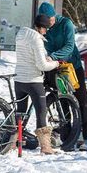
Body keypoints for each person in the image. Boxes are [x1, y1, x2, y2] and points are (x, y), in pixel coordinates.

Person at [40, 2, 87, 148]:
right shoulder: (44, 28)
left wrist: (53, 56)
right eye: (47, 22)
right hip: (56, 67)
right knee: (63, 101)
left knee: (81, 100)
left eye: (51, 20)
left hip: (73, 66)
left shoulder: (66, 24)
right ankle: (67, 138)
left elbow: (69, 47)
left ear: (54, 16)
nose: (49, 24)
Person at [14, 12, 59, 154]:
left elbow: (28, 56)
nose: (46, 32)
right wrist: (56, 63)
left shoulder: (21, 35)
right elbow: (42, 66)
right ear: (41, 28)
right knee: (41, 111)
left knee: (20, 113)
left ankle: (13, 142)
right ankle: (46, 147)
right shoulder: (36, 40)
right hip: (33, 81)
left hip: (19, 79)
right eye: (45, 29)